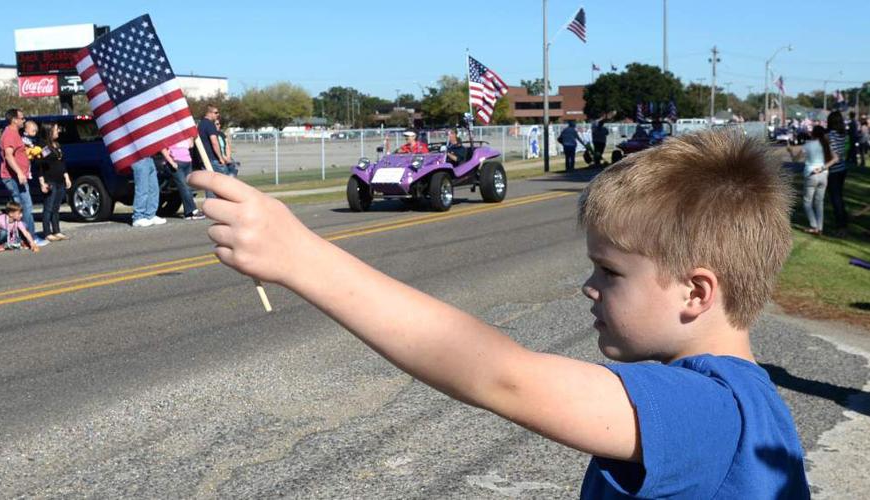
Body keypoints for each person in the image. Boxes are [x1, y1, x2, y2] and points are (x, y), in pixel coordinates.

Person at [188, 130, 809, 499]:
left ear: (697, 294)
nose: (589, 287)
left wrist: (302, 258)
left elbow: (502, 376)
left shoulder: (711, 409)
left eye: (611, 271)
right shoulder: (750, 407)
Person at [0, 109, 47, 247]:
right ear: (14, 120)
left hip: (18, 176)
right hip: (13, 177)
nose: (24, 120)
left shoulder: (15, 134)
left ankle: (22, 237)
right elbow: (8, 155)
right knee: (25, 207)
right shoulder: (9, 134)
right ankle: (30, 238)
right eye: (22, 118)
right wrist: (20, 172)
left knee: (22, 207)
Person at [787, 126, 838, 235]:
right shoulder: (826, 144)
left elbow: (795, 159)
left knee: (807, 202)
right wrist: (823, 167)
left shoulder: (808, 145)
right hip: (824, 174)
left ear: (813, 134)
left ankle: (814, 225)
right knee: (819, 202)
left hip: (811, 174)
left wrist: (791, 151)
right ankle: (820, 227)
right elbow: (836, 159)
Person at [36, 123, 72, 241]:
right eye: (56, 129)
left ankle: (57, 230)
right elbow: (39, 166)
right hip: (49, 180)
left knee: (56, 207)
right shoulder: (42, 147)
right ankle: (47, 232)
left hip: (60, 179)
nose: (58, 131)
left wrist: (66, 177)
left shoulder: (57, 145)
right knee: (48, 207)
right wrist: (42, 182)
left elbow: (62, 162)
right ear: (49, 131)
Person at [161, 139, 204, 220]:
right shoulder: (168, 133)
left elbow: (190, 145)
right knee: (184, 187)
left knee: (188, 187)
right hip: (176, 163)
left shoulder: (183, 134)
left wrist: (191, 136)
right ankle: (192, 212)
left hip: (187, 162)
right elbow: (162, 148)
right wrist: (171, 162)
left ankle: (188, 212)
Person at [198, 105, 231, 198]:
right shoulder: (209, 124)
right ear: (209, 113)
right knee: (227, 182)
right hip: (212, 159)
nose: (218, 115)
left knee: (210, 185)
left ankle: (212, 206)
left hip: (204, 159)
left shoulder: (200, 125)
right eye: (216, 113)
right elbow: (214, 142)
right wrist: (220, 158)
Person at [826, 110, 849, 236]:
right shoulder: (842, 134)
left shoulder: (830, 135)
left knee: (836, 199)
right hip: (842, 169)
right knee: (839, 197)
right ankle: (844, 221)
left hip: (834, 170)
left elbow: (831, 153)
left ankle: (841, 227)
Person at [130, 156, 165, 227]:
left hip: (149, 158)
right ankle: (138, 217)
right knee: (142, 189)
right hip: (138, 159)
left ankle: (150, 215)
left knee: (154, 189)